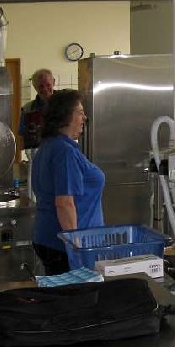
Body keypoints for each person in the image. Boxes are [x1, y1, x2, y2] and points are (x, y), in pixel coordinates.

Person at [31, 89, 105, 275]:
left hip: (48, 239)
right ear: (65, 116)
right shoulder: (65, 152)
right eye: (80, 112)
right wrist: (76, 248)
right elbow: (64, 203)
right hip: (64, 246)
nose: (84, 118)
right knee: (73, 292)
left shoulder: (49, 146)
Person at [19, 68, 55, 150]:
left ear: (53, 82)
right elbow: (21, 137)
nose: (45, 89)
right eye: (41, 86)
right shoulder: (27, 109)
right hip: (38, 153)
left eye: (48, 85)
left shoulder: (66, 105)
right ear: (35, 87)